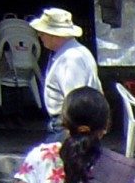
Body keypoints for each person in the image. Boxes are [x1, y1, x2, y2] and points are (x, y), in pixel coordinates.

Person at [28, 8, 102, 140]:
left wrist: (72, 134)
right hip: (66, 124)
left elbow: (75, 100)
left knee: (57, 159)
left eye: (42, 32)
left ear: (54, 35)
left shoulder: (71, 58)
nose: (39, 35)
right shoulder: (67, 53)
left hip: (67, 125)